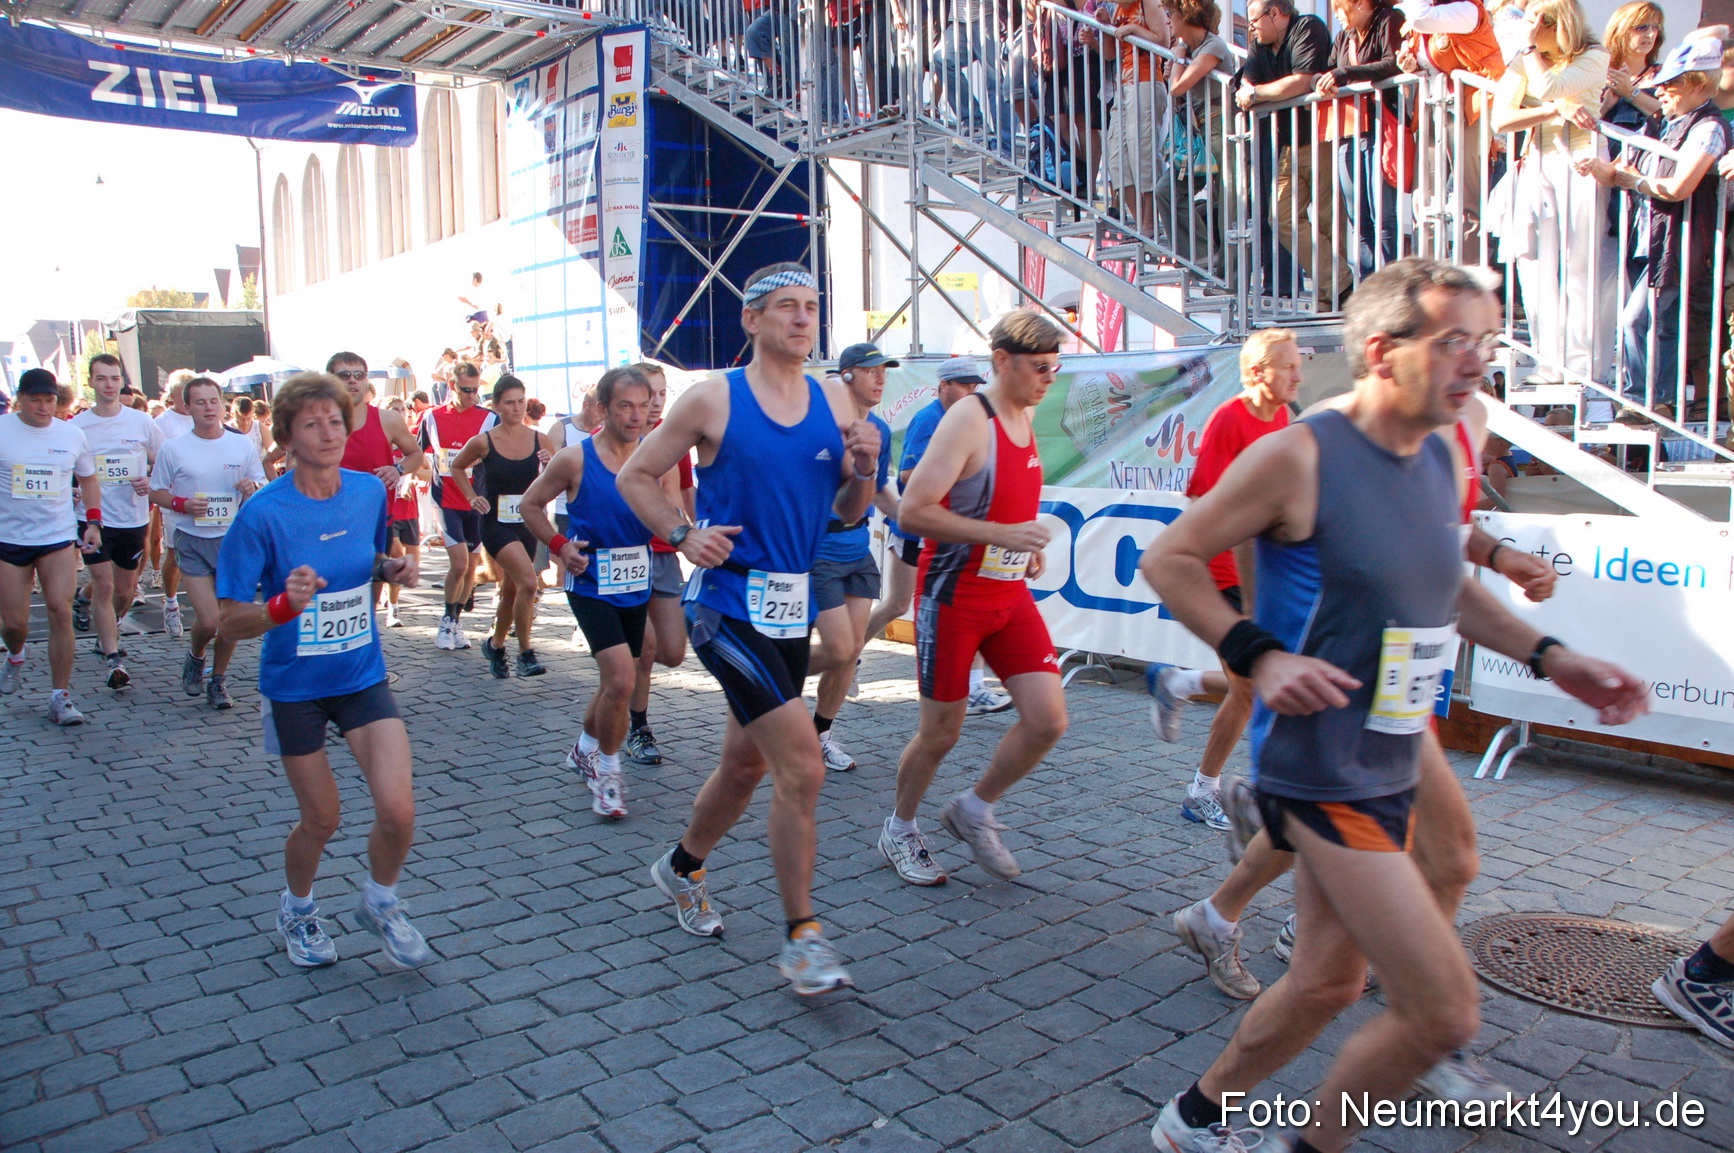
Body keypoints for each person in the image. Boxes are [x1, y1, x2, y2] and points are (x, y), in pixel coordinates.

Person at [1141, 258, 1649, 1153]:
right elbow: (1171, 558)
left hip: (1391, 742)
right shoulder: (1301, 452)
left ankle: (1194, 1117)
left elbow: (1442, 581)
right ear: (1382, 351)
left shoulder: (1441, 448)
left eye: (1486, 342)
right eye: (1455, 342)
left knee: (1330, 984)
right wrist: (1260, 653)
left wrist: (1552, 656)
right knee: (1443, 1010)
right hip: (1321, 763)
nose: (1477, 362)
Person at [617, 262, 882, 996]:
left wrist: (863, 469)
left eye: (811, 307)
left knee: (744, 765)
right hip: (726, 607)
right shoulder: (713, 398)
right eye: (787, 308)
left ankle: (679, 866)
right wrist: (681, 532)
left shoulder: (835, 400)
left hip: (791, 607)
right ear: (752, 320)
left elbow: (851, 514)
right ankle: (802, 938)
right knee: (803, 765)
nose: (803, 320)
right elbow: (637, 476)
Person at [216, 372, 430, 970]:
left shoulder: (367, 493)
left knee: (399, 809)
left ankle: (381, 902)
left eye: (336, 420)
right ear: (286, 436)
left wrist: (391, 570)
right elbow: (228, 621)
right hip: (295, 689)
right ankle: (299, 907)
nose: (329, 431)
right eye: (312, 423)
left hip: (362, 676)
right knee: (323, 816)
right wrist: (284, 605)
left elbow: (364, 558)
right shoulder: (262, 514)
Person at [880, 312, 1068, 888]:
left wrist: (1021, 540)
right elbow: (914, 511)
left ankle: (975, 808)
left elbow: (1001, 500)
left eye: (1056, 368)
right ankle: (900, 827)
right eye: (1040, 367)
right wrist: (1001, 536)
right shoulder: (968, 418)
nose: (1049, 379)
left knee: (1047, 720)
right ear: (1002, 360)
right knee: (941, 733)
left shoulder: (1026, 411)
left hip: (1007, 595)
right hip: (953, 596)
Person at [1146, 330, 1300, 835]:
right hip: (1222, 574)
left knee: (1255, 684)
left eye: (1299, 365)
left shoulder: (1282, 416)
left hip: (1266, 573)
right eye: (1289, 367)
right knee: (1252, 688)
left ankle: (1179, 682)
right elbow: (1203, 503)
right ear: (1257, 372)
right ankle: (1204, 790)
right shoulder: (1229, 421)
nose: (1298, 376)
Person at [522, 366, 658, 818]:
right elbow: (529, 505)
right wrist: (560, 547)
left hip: (636, 582)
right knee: (622, 679)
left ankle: (585, 745)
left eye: (643, 405)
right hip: (591, 582)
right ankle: (607, 771)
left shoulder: (653, 454)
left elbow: (670, 506)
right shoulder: (575, 459)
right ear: (602, 408)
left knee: (615, 684)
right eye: (625, 405)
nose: (636, 415)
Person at [1577, 39, 1729, 416]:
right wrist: (1603, 171)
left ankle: (1651, 400)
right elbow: (1627, 173)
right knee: (1651, 322)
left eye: (1671, 82)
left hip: (1679, 240)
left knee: (1644, 320)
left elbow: (1679, 188)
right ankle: (1648, 400)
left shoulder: (1708, 127)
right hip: (1648, 237)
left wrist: (1631, 181)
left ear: (1697, 84)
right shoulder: (1659, 122)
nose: (1660, 88)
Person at [865, 357, 1014, 714]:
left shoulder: (974, 419)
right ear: (943, 386)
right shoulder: (929, 419)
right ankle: (849, 655)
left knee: (970, 600)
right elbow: (906, 476)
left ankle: (975, 687)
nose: (971, 392)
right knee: (897, 605)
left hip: (954, 534)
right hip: (916, 530)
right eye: (963, 385)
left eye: (975, 385)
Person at [1489, 0, 1612, 391]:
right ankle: (1547, 360)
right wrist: (1551, 112)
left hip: (1582, 159)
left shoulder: (1594, 55)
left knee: (1581, 267)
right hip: (1538, 161)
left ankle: (1583, 368)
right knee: (1535, 265)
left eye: (1534, 22)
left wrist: (1531, 60)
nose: (1527, 29)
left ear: (1556, 24)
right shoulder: (1529, 58)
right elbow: (1500, 119)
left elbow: (1549, 86)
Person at [149, 377, 267, 711]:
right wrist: (181, 504)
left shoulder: (241, 444)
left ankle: (218, 680)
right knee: (209, 620)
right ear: (187, 407)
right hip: (193, 541)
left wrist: (251, 486)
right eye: (199, 402)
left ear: (222, 403)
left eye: (213, 401)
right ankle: (196, 655)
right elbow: (156, 491)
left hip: (233, 541)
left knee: (230, 619)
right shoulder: (174, 448)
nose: (208, 408)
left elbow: (261, 483)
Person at [811, 344, 900, 774]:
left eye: (884, 371)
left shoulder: (879, 428)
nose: (880, 379)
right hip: (817, 551)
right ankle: (769, 682)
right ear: (846, 375)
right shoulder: (821, 425)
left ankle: (819, 735)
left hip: (857, 548)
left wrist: (914, 518)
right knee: (840, 649)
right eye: (870, 371)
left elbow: (880, 488)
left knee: (848, 653)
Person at [1236, 0, 1356, 307]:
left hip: (1322, 136)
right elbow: (1246, 81)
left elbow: (1301, 82)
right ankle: (1341, 285)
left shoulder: (1308, 27)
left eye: (1254, 21)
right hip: (1289, 143)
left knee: (1331, 220)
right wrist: (1252, 89)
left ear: (1275, 14)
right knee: (1281, 217)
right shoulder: (1260, 44)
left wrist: (1257, 93)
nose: (1251, 28)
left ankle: (1332, 297)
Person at [0, 369, 102, 725]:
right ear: (20, 399)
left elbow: (88, 477)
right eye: (35, 400)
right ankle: (15, 654)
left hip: (56, 537)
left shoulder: (72, 434)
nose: (43, 408)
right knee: (15, 622)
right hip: (9, 539)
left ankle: (60, 696)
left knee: (60, 609)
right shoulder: (3, 431)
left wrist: (93, 521)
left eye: (50, 400)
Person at [446, 375, 557, 678]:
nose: (517, 408)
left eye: (521, 401)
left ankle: (495, 645)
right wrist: (471, 497)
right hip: (495, 524)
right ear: (496, 406)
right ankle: (525, 653)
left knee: (511, 590)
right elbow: (455, 466)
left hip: (527, 524)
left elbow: (559, 478)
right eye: (510, 403)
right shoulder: (484, 441)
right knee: (529, 583)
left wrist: (549, 464)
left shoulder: (538, 438)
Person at [71, 354, 165, 690]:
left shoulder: (140, 422)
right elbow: (65, 470)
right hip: (93, 518)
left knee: (124, 590)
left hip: (132, 517)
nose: (109, 385)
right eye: (101, 379)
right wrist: (73, 489)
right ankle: (112, 656)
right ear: (92, 382)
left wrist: (151, 480)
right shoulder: (77, 426)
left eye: (114, 379)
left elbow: (165, 459)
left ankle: (90, 606)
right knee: (105, 584)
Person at [627, 364, 696, 766]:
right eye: (647, 395)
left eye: (661, 394)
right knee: (645, 648)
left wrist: (701, 528)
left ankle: (618, 691)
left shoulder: (675, 438)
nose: (655, 404)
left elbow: (686, 489)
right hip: (628, 554)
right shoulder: (617, 439)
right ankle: (639, 727)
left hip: (667, 553)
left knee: (672, 652)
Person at [1315, 0, 1403, 271]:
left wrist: (1346, 75)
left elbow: (1392, 64)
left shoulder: (1389, 19)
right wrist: (1320, 81)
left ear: (1361, 4)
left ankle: (1390, 290)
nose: (1336, 15)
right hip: (1348, 131)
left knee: (1383, 216)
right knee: (1357, 218)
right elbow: (1328, 69)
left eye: (1340, 7)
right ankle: (1366, 288)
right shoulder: (1344, 37)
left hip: (1380, 127)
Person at [418, 362, 499, 650]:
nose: (472, 396)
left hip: (476, 502)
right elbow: (416, 453)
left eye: (476, 391)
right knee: (460, 562)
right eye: (466, 390)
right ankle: (447, 619)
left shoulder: (489, 419)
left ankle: (456, 623)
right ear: (452, 386)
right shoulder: (431, 417)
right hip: (445, 500)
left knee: (470, 567)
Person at [1154, 0, 1232, 272]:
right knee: (1166, 191)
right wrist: (1178, 62)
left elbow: (1177, 87)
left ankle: (1226, 271)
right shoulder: (1193, 49)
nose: (1168, 21)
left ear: (1187, 15)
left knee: (1226, 201)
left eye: (1170, 14)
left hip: (1220, 126)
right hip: (1197, 132)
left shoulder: (1213, 46)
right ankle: (1200, 257)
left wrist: (1178, 55)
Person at [1103, 0, 1172, 237]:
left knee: (1142, 152)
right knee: (1117, 158)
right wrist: (1103, 28)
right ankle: (1140, 220)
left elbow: (1165, 40)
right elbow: (1111, 52)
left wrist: (1134, 30)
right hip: (1123, 84)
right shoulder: (1120, 9)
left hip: (1146, 82)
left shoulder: (1148, 3)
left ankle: (1149, 222)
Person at [154, 373, 196, 639]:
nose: (187, 400)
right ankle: (171, 602)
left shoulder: (205, 417)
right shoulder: (162, 423)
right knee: (175, 554)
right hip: (175, 501)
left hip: (208, 501)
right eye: (182, 393)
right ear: (172, 396)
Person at [1600, 2, 1664, 135]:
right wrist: (1605, 107)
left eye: (1655, 27)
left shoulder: (1663, 75)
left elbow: (1672, 115)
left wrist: (1630, 93)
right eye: (1642, 27)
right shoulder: (1596, 72)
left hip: (1641, 154)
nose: (1650, 34)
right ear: (1620, 30)